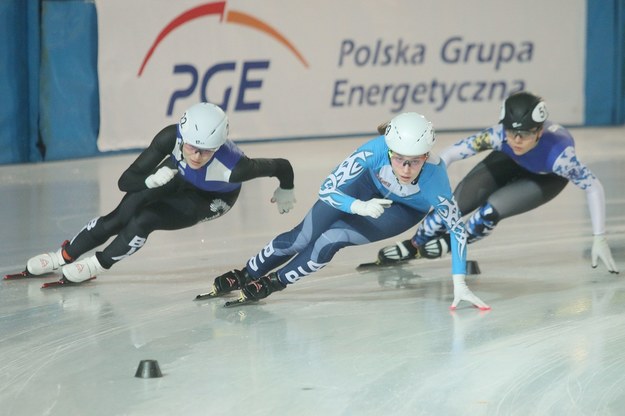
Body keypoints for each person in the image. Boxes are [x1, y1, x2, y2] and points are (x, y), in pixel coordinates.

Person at [198, 112, 490, 310]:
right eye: (399, 159)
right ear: (388, 150)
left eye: (414, 162)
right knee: (303, 236)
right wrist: (358, 205)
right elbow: (327, 189)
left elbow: (456, 228)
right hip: (363, 189)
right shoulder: (374, 149)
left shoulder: (435, 178)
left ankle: (275, 282)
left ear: (426, 157)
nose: (405, 168)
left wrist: (459, 281)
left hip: (403, 210)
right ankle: (247, 273)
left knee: (331, 239)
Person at [16, 102, 296, 285]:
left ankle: (97, 265)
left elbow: (281, 166)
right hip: (175, 174)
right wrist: (149, 180)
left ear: (219, 145)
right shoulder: (169, 137)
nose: (197, 155)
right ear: (182, 137)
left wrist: (286, 188)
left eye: (206, 150)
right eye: (191, 147)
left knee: (145, 219)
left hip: (210, 197)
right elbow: (126, 181)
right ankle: (62, 255)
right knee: (120, 215)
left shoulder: (236, 168)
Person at [376, 91, 619, 274]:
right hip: (507, 161)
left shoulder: (561, 158)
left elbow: (593, 187)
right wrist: (426, 179)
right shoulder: (498, 135)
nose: (515, 139)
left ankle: (451, 243)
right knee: (456, 203)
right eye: (510, 132)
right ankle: (414, 244)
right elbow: (450, 154)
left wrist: (599, 236)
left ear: (539, 132)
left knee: (490, 211)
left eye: (523, 134)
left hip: (545, 178)